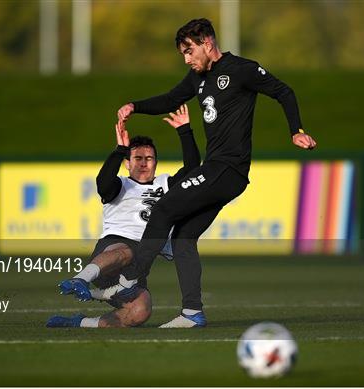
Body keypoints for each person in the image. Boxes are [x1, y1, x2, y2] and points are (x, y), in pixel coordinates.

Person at [109, 18, 317, 328]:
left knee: (164, 206)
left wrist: (296, 131)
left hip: (227, 168)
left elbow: (283, 92)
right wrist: (134, 106)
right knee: (183, 238)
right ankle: (192, 312)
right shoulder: (197, 78)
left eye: (189, 51)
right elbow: (170, 99)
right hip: (219, 171)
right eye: (183, 54)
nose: (187, 59)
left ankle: (130, 279)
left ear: (208, 43)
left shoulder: (242, 69)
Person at [47, 105, 201, 328]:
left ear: (156, 162)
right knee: (126, 251)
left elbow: (193, 169)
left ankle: (81, 323)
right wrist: (119, 149)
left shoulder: (165, 183)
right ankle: (80, 279)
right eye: (137, 157)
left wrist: (185, 131)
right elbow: (103, 184)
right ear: (127, 163)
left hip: (139, 263)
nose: (143, 163)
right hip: (112, 252)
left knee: (140, 312)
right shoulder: (121, 184)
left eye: (149, 158)